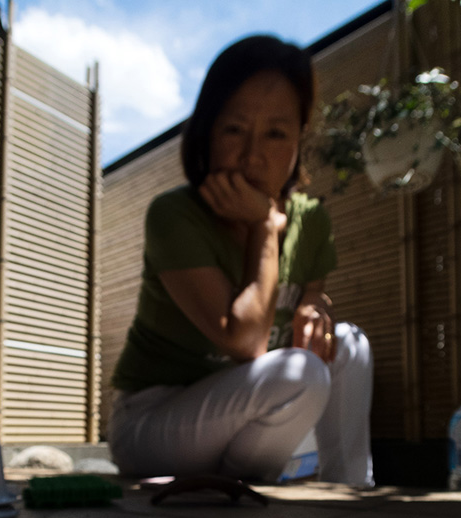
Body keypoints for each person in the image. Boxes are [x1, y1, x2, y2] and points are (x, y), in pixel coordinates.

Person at [108, 34, 373, 486]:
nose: (253, 154)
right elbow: (245, 341)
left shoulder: (310, 220)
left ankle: (348, 488)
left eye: (276, 133)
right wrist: (265, 228)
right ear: (207, 132)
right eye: (234, 129)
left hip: (239, 408)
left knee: (349, 344)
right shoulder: (175, 216)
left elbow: (310, 295)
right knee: (300, 374)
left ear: (298, 140)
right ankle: (233, 497)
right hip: (152, 421)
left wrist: (316, 307)